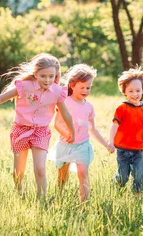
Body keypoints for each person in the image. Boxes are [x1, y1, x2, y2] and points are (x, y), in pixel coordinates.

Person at [0, 53, 75, 199]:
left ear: (56, 75)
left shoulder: (57, 92)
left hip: (41, 131)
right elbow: (0, 98)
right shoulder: (24, 87)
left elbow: (66, 114)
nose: (47, 80)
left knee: (40, 168)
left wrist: (72, 132)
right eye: (43, 76)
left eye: (51, 76)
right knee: (18, 171)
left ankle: (41, 199)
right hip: (21, 130)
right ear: (35, 74)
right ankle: (20, 193)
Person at [49, 64, 114, 203]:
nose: (85, 90)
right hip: (65, 145)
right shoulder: (64, 102)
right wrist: (68, 135)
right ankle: (58, 196)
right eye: (82, 87)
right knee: (62, 176)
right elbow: (57, 124)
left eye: (88, 87)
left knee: (83, 173)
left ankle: (84, 203)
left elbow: (93, 128)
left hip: (83, 145)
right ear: (72, 85)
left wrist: (106, 144)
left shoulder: (89, 106)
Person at [109, 67, 143, 195]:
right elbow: (114, 126)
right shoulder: (122, 108)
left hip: (138, 149)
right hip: (123, 149)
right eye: (130, 91)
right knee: (123, 177)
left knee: (139, 176)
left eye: (138, 90)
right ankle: (115, 183)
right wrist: (111, 142)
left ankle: (137, 198)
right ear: (124, 91)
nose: (135, 94)